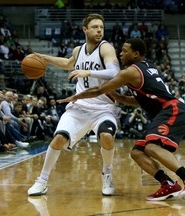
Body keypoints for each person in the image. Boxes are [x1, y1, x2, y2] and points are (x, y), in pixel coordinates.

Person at [58, 38, 185, 201]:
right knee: (137, 152)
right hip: (169, 111)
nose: (120, 54)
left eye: (124, 50)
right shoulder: (147, 67)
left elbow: (99, 90)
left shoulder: (130, 72)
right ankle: (167, 184)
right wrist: (117, 96)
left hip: (173, 110)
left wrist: (75, 97)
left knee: (151, 148)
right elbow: (139, 101)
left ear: (136, 54)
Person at [28, 13, 120, 196]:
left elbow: (114, 72)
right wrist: (45, 58)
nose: (99, 30)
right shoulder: (78, 50)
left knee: (107, 137)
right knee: (58, 138)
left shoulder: (106, 48)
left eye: (101, 27)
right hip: (79, 107)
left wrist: (89, 73)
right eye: (95, 27)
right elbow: (68, 64)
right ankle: (42, 180)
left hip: (104, 109)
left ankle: (107, 175)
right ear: (85, 29)